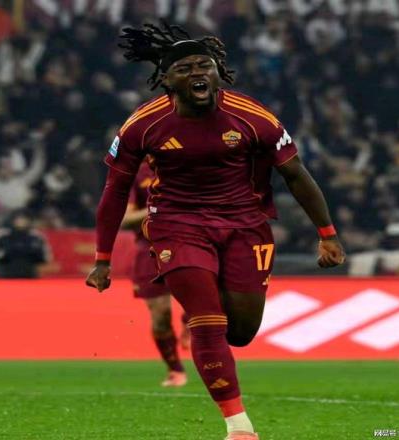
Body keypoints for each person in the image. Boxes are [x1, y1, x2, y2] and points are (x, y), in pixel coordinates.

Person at [86, 22, 346, 440]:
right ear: (166, 81)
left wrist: (327, 233)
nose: (197, 73)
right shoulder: (142, 125)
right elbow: (115, 191)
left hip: (245, 225)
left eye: (203, 65)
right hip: (176, 224)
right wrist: (102, 258)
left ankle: (209, 319)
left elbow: (295, 174)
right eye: (185, 68)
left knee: (240, 333)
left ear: (218, 72)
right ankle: (239, 427)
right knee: (206, 321)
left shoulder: (252, 116)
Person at [122, 157, 189, 387]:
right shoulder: (136, 175)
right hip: (149, 249)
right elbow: (126, 219)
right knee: (160, 315)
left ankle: (190, 321)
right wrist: (156, 209)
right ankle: (175, 369)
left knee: (202, 298)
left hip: (188, 243)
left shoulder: (188, 163)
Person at [0, 209, 52, 278]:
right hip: (5, 275)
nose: (22, 222)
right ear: (12, 220)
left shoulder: (36, 235)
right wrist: (8, 252)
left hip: (29, 275)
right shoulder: (1, 234)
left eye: (24, 219)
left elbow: (46, 256)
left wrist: (35, 254)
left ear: (29, 220)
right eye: (19, 219)